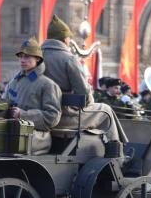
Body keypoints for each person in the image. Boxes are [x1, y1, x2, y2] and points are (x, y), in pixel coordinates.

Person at [41, 14, 127, 144]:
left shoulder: (36, 57)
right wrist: (89, 103)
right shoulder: (69, 58)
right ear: (65, 39)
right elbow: (84, 92)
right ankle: (115, 149)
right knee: (106, 110)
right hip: (64, 117)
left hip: (42, 114)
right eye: (69, 38)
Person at [4, 37, 62, 155]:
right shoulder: (14, 81)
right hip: (14, 132)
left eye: (27, 56)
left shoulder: (48, 85)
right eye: (21, 56)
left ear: (37, 59)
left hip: (36, 138)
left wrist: (23, 114)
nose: (22, 60)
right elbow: (4, 103)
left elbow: (52, 117)